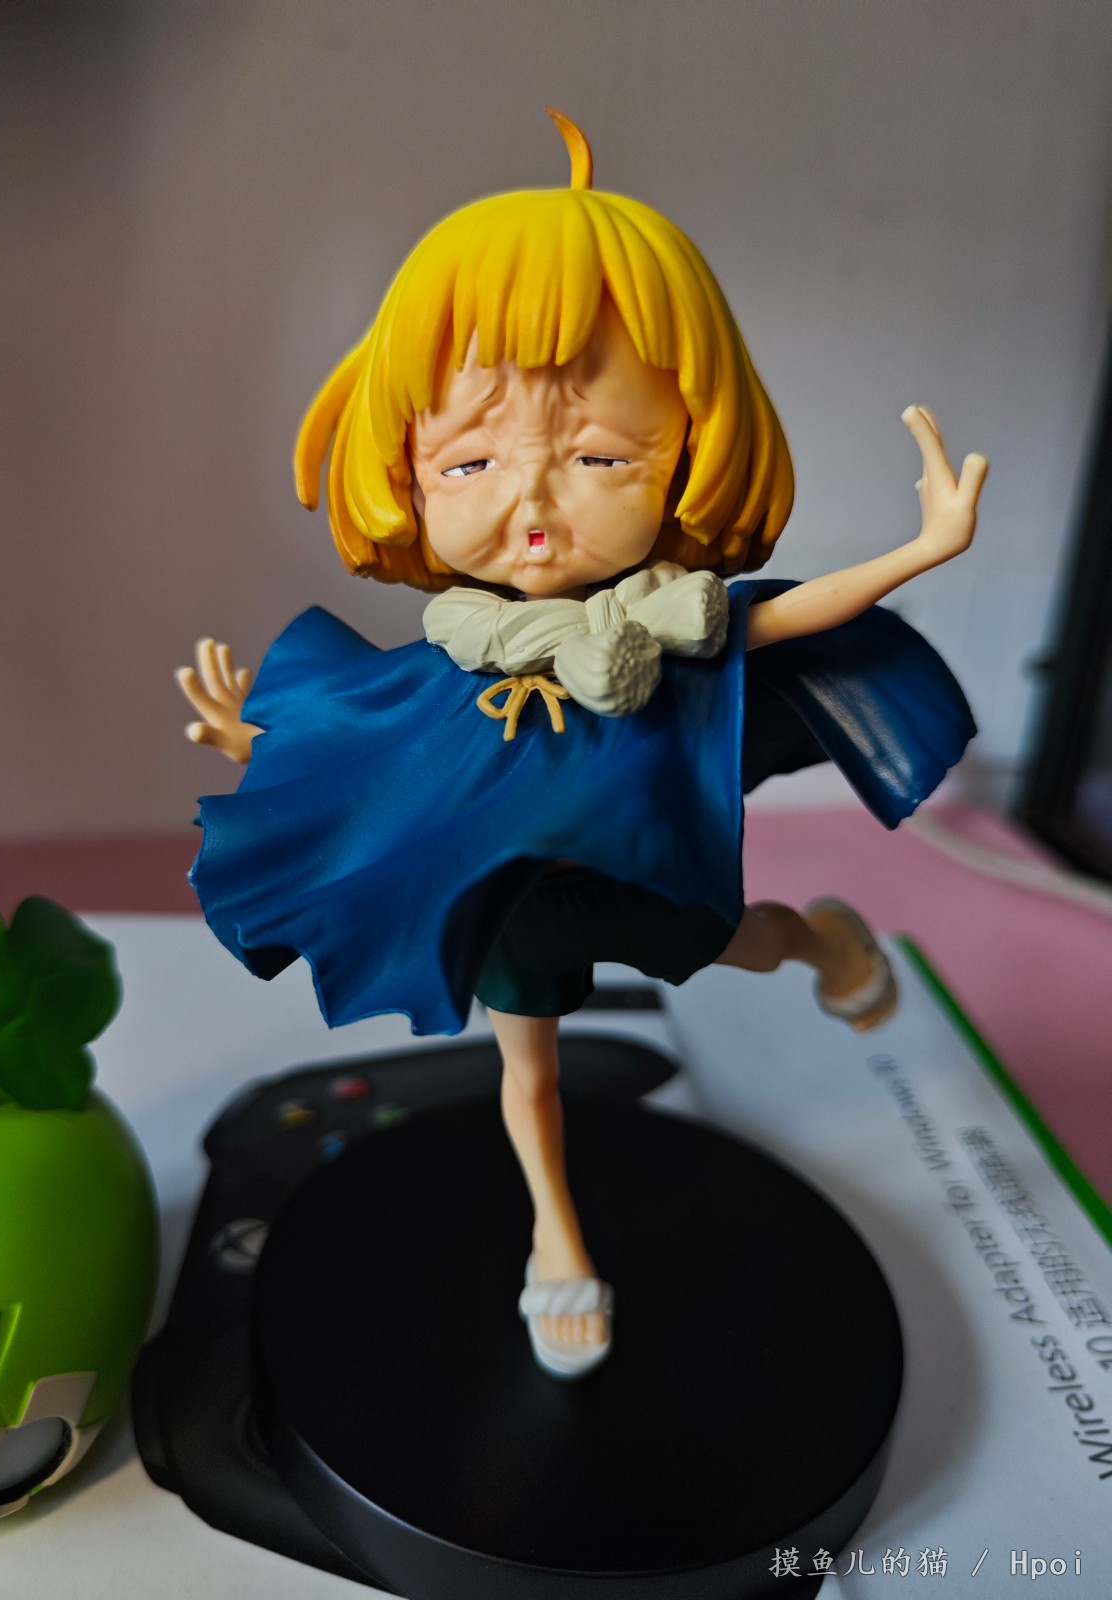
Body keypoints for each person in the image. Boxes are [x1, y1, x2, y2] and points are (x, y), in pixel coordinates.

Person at [178, 112, 986, 1380]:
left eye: (601, 454)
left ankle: (828, 939)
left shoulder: (666, 621)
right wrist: (257, 738)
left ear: (691, 455)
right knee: (529, 1076)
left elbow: (787, 615)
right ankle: (556, 1241)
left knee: (749, 941)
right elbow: (358, 734)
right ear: (407, 469)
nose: (533, 504)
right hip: (517, 906)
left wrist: (920, 550)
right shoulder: (463, 645)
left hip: (643, 860)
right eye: (470, 461)